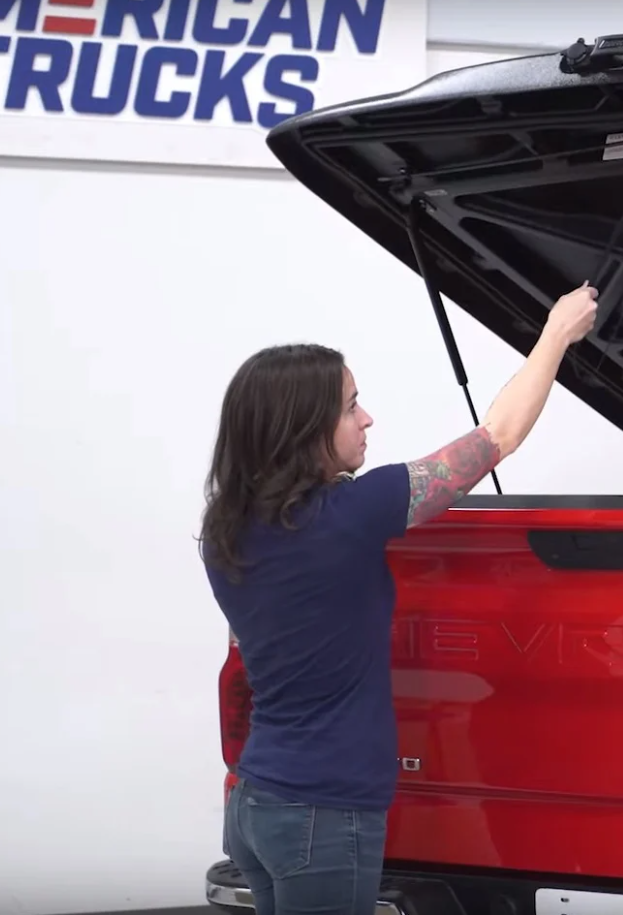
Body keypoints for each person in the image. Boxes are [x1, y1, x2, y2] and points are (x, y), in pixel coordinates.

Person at [198, 282, 600, 915]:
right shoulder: (350, 515)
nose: (367, 419)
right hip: (322, 814)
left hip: (255, 804)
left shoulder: (226, 529)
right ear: (302, 428)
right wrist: (556, 333)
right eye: (351, 406)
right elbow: (499, 435)